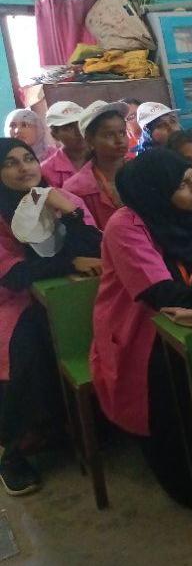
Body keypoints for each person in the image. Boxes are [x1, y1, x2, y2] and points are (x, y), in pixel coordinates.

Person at [90, 149, 192, 505]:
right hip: (138, 328)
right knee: (165, 392)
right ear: (155, 192)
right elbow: (159, 294)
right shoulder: (125, 226)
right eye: (183, 184)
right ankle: (185, 480)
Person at [0, 138, 101, 496]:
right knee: (24, 347)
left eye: (28, 158)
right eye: (10, 163)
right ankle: (13, 451)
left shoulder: (60, 197)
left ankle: (85, 422)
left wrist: (69, 213)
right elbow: (15, 275)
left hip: (69, 294)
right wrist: (69, 262)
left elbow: (93, 247)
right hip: (13, 301)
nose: (23, 168)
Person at [63, 101, 130, 229]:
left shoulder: (142, 170)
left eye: (122, 133)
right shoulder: (76, 188)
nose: (119, 140)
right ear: (90, 140)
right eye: (109, 135)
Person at [40, 102, 88, 188]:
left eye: (81, 124)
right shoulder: (47, 170)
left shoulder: (104, 156)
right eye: (69, 128)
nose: (79, 132)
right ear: (54, 135)